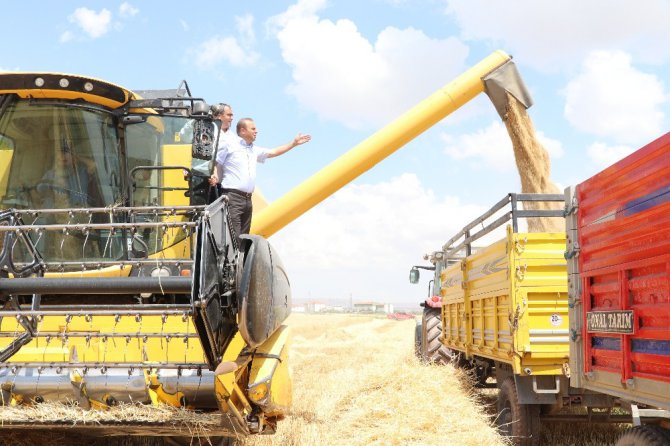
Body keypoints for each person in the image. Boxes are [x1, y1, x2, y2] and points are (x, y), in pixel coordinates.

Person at [209, 117, 311, 242]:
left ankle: (239, 261)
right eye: (253, 129)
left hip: (247, 199)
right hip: (232, 197)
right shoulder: (229, 145)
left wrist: (293, 144)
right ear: (243, 131)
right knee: (233, 236)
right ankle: (228, 261)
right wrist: (215, 175)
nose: (256, 131)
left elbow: (273, 152)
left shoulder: (254, 149)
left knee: (243, 238)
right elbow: (215, 161)